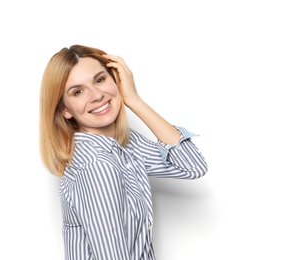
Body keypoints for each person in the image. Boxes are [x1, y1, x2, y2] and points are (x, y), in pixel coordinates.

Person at [39, 44, 208, 260]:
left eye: (100, 80)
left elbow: (193, 167)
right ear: (64, 109)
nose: (97, 95)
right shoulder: (97, 165)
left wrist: (134, 101)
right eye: (78, 91)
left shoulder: (125, 147)